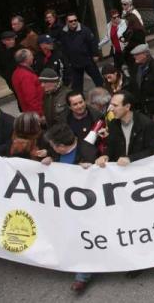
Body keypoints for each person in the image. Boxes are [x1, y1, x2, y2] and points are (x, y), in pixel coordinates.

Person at [41, 124, 97, 294]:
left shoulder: (88, 152)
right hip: (65, 206)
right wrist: (47, 160)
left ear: (62, 146)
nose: (50, 149)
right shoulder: (56, 154)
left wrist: (91, 169)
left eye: (52, 146)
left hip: (87, 207)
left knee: (82, 237)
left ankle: (82, 276)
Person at [95, 91, 154, 167]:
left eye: (115, 105)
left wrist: (130, 159)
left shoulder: (146, 124)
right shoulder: (113, 124)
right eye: (111, 105)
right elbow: (110, 146)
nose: (111, 109)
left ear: (127, 107)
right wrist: (105, 156)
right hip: (120, 172)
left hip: (141, 170)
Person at [59, 13, 103, 92]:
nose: (73, 22)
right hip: (74, 63)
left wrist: (95, 54)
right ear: (67, 22)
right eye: (71, 21)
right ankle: (79, 100)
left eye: (75, 20)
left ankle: (104, 95)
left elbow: (93, 42)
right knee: (77, 85)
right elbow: (63, 48)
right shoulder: (64, 32)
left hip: (87, 60)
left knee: (98, 79)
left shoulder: (85, 30)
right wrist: (67, 61)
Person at [128, 44, 154, 120]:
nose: (134, 57)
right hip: (142, 107)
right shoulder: (136, 66)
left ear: (145, 54)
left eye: (137, 54)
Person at [11, 48, 44, 117]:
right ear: (26, 59)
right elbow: (31, 99)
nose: (33, 57)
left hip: (30, 112)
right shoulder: (25, 76)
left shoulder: (16, 73)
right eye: (31, 55)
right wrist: (40, 114)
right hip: (36, 113)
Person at [0, 31, 20, 96]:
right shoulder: (1, 53)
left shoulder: (19, 48)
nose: (12, 41)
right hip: (11, 79)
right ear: (3, 41)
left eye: (13, 39)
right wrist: (7, 77)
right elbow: (1, 67)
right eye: (9, 40)